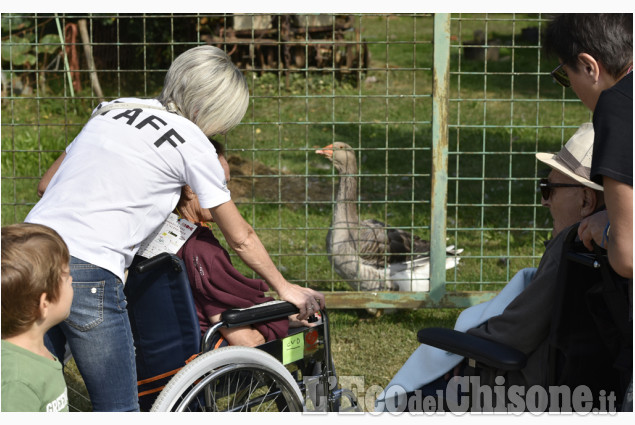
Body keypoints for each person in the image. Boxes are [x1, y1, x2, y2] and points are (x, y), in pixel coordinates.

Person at [27, 45, 325, 411]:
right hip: (91, 269)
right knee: (117, 408)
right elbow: (241, 236)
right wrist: (285, 288)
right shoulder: (193, 142)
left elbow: (45, 185)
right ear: (213, 111)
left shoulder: (113, 108)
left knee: (31, 380)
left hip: (30, 250)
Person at [379, 123, 606, 411]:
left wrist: (462, 352)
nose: (543, 201)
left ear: (586, 200)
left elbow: (515, 333)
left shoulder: (572, 247)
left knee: (401, 400)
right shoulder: (618, 246)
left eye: (549, 189)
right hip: (582, 392)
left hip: (519, 391)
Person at [175, 140, 310, 347]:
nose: (227, 195)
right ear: (189, 189)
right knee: (312, 332)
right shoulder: (201, 251)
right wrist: (279, 321)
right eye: (220, 184)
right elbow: (244, 341)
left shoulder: (164, 238)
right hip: (211, 351)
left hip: (171, 349)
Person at [544, 13, 632, 280]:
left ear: (588, 66)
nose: (569, 87)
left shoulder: (619, 105)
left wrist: (609, 230)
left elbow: (629, 257)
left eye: (565, 75)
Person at [1, 223, 73, 412]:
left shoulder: (33, 354)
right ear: (45, 303)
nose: (71, 280)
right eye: (66, 277)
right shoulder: (16, 382)